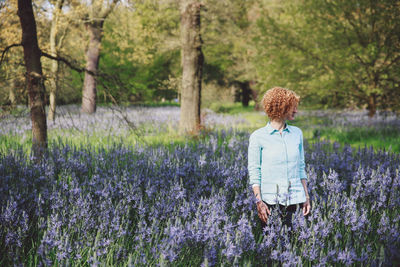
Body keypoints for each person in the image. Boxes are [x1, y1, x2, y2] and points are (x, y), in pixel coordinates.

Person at [248, 87, 310, 231]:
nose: (296, 110)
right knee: (272, 248)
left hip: (296, 201)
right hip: (270, 203)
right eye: (293, 107)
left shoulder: (297, 134)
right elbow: (254, 172)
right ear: (282, 107)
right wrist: (259, 202)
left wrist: (306, 197)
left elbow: (301, 167)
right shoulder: (258, 137)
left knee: (296, 247)